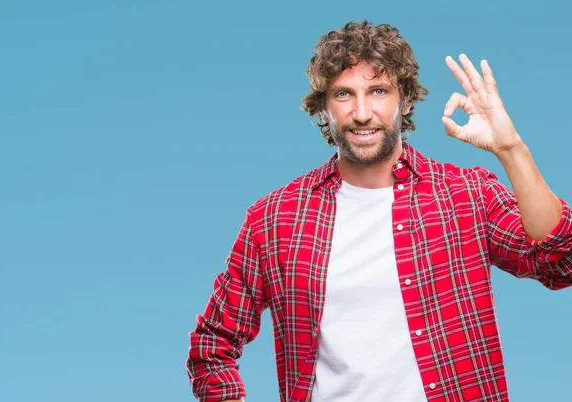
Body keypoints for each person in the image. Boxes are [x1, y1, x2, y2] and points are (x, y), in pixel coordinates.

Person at [186, 20, 572, 402]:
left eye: (378, 91)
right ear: (324, 107)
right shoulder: (274, 219)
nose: (361, 112)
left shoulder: (466, 194)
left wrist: (511, 149)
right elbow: (211, 347)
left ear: (404, 100)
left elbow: (560, 260)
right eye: (343, 95)